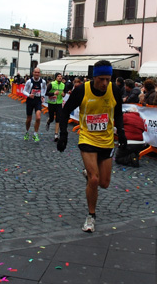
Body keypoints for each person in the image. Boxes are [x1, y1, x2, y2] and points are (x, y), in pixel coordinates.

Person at [58, 60, 126, 233]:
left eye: (108, 79)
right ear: (94, 78)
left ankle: (89, 175)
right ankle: (91, 216)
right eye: (101, 79)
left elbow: (118, 112)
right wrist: (63, 136)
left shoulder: (115, 91)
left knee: (104, 183)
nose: (104, 83)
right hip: (87, 138)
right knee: (94, 180)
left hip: (106, 139)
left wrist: (122, 132)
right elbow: (65, 111)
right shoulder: (82, 90)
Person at [23, 67, 46, 142]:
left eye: (38, 72)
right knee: (29, 119)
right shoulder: (29, 81)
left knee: (38, 118)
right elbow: (24, 91)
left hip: (38, 100)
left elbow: (44, 89)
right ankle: (27, 132)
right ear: (33, 73)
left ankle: (35, 134)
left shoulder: (43, 82)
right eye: (35, 72)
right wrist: (29, 95)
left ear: (40, 73)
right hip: (30, 100)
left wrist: (42, 96)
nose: (36, 74)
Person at [46, 73, 65, 142]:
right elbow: (46, 93)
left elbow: (64, 93)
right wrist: (53, 93)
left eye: (61, 76)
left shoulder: (63, 85)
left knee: (58, 119)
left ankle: (56, 135)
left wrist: (63, 94)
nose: (60, 78)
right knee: (51, 118)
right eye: (58, 76)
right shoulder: (52, 84)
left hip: (59, 103)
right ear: (55, 77)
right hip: (51, 103)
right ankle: (49, 121)